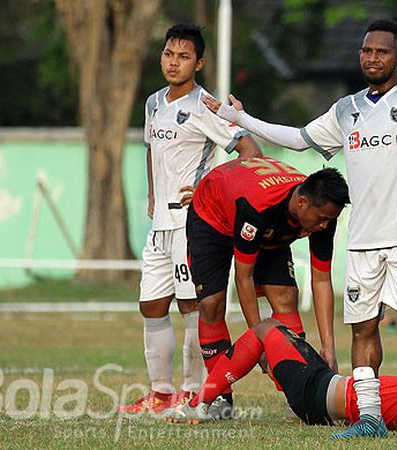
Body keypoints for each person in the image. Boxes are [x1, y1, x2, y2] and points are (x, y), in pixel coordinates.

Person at [202, 19, 397, 440]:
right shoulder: (347, 108)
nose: (372, 58)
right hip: (362, 241)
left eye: (382, 52)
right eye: (367, 51)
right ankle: (370, 417)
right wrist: (238, 118)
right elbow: (297, 138)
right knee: (363, 327)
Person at [121, 22, 261, 414]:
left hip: (191, 225)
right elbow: (151, 148)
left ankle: (191, 390)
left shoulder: (205, 106)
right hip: (160, 226)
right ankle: (160, 393)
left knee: (191, 308)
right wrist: (153, 194)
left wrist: (210, 191)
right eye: (168, 54)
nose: (173, 62)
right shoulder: (153, 103)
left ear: (198, 63)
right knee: (150, 305)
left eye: (183, 57)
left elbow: (250, 150)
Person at [164, 318, 397, 434]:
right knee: (280, 342)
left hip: (320, 391)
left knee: (266, 330)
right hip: (322, 399)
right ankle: (263, 373)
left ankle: (201, 401)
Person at [188, 157, 349, 418]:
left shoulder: (321, 214)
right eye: (321, 219)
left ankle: (299, 395)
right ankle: (219, 397)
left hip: (267, 224)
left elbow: (321, 280)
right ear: (302, 203)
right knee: (211, 304)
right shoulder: (258, 207)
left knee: (286, 297)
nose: (324, 226)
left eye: (330, 221)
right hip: (213, 215)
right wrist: (258, 341)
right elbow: (244, 278)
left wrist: (328, 346)